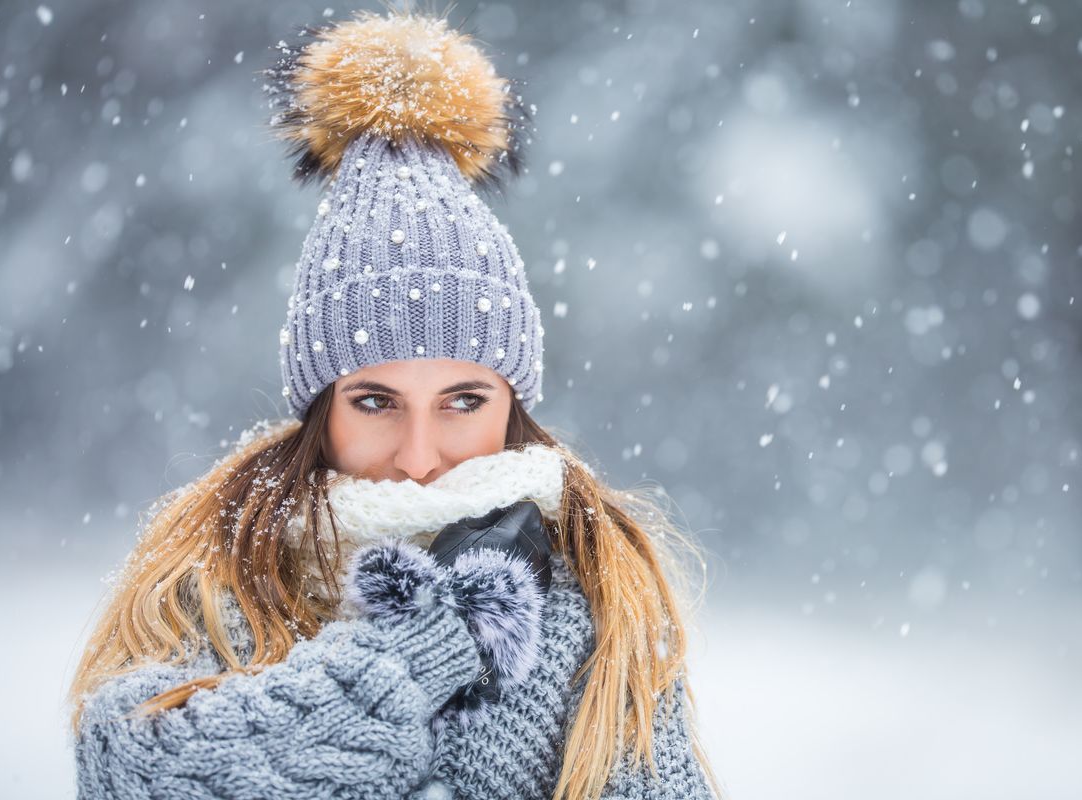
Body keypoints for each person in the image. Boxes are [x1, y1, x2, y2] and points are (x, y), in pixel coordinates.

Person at [67, 8, 723, 799]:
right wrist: (427, 649)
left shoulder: (597, 603)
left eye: (463, 400)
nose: (419, 455)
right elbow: (137, 773)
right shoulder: (217, 579)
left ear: (512, 407)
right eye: (377, 401)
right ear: (320, 413)